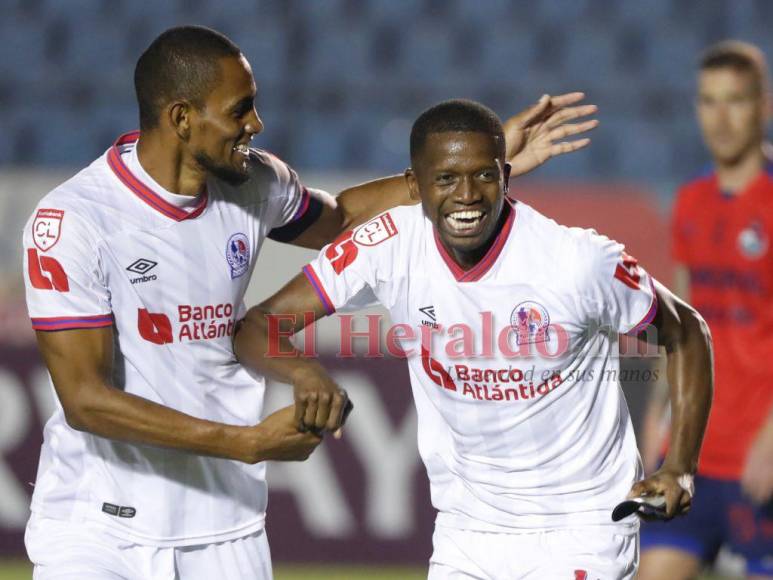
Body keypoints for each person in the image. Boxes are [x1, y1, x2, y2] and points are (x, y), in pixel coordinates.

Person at [21, 25, 599, 579]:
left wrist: (475, 171)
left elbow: (343, 219)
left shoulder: (253, 183)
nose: (256, 122)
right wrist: (244, 443)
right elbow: (87, 401)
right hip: (100, 527)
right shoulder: (75, 221)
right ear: (181, 118)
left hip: (224, 526)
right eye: (240, 108)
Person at [234, 99, 714, 579]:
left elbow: (688, 331)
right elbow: (258, 326)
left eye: (483, 176)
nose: (466, 195)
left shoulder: (577, 262)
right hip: (467, 531)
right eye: (445, 179)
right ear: (414, 185)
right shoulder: (385, 246)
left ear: (506, 176)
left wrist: (680, 468)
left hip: (581, 528)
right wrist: (303, 372)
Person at [639, 41, 773, 580]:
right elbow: (681, 322)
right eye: (708, 101)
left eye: (735, 100)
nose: (720, 118)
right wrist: (657, 414)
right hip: (692, 452)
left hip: (758, 457)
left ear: (762, 107)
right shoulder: (691, 201)